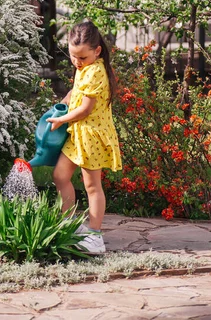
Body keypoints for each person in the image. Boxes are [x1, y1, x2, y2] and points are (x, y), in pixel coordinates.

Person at [47, 21, 122, 253]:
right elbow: (75, 92)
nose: (77, 62)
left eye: (82, 58)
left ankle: (95, 236)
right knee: (60, 176)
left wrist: (63, 119)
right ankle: (69, 224)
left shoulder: (97, 71)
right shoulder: (84, 68)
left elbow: (86, 109)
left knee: (92, 186)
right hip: (78, 133)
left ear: (97, 51)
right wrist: (62, 104)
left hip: (92, 135)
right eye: (72, 56)